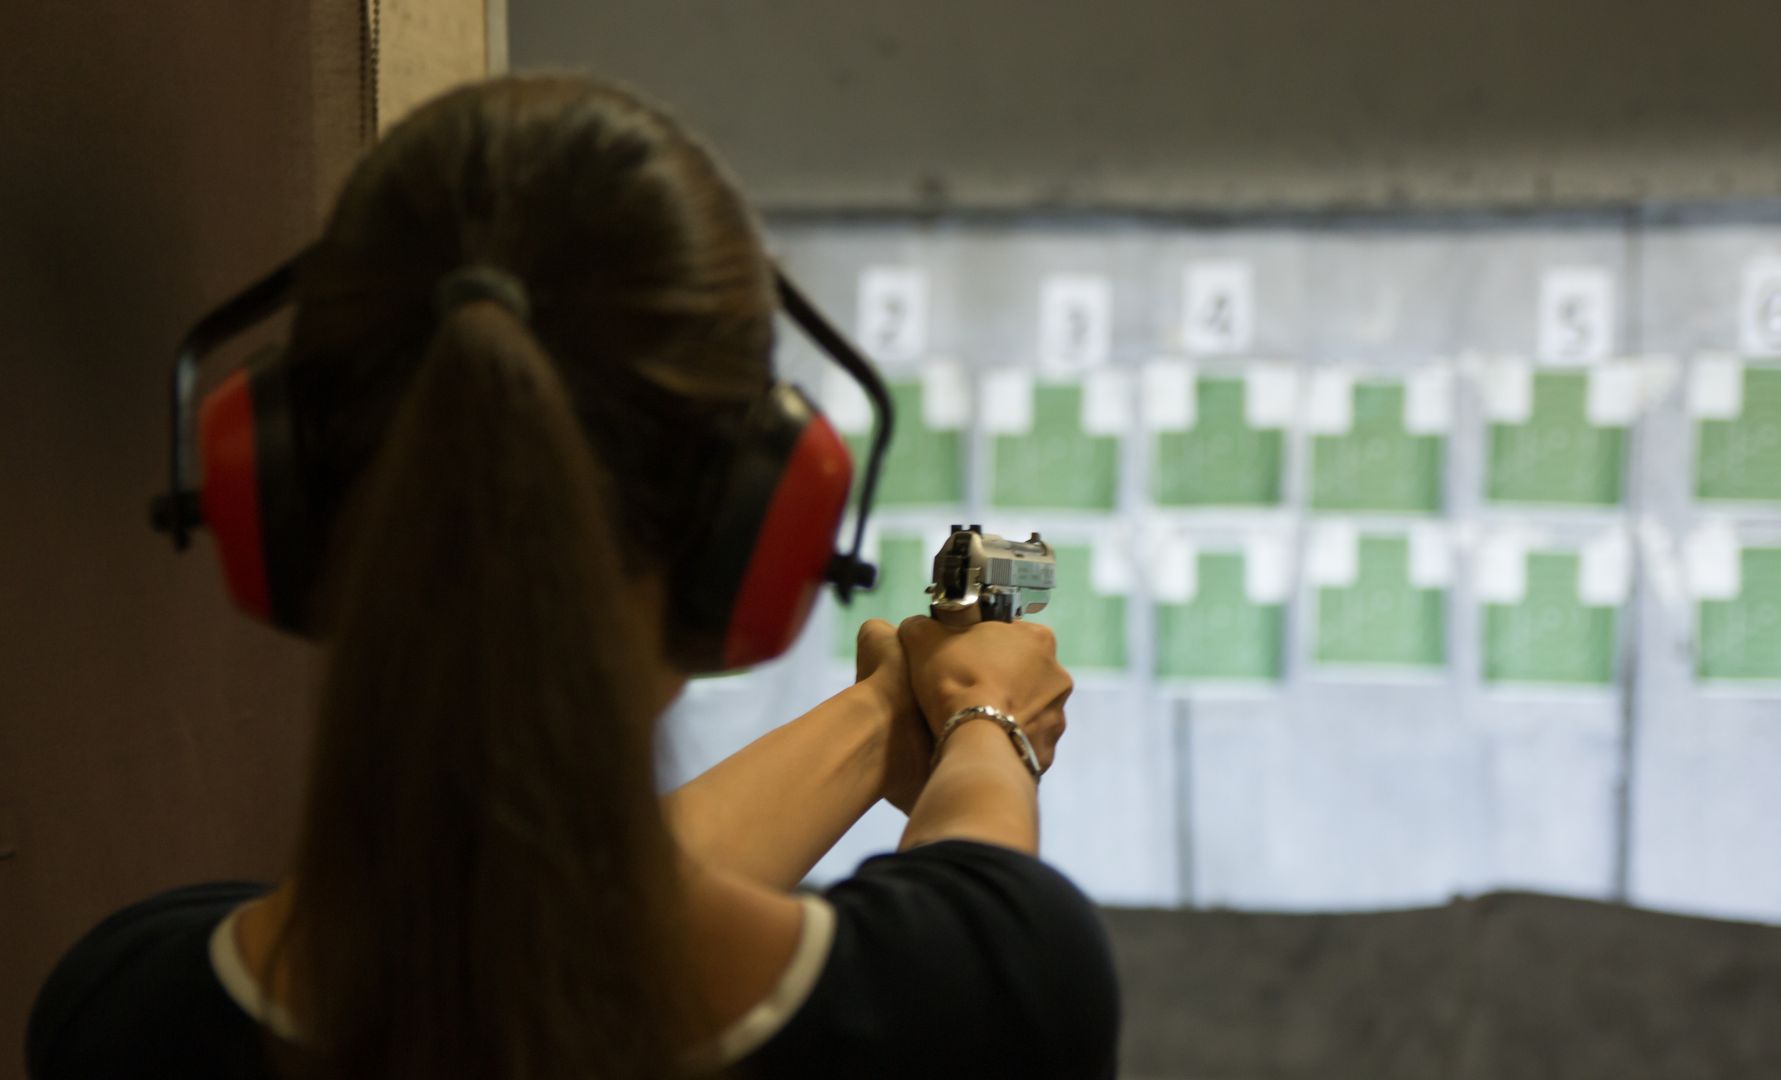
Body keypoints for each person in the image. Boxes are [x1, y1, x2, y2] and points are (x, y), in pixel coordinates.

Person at [26, 75, 1118, 1079]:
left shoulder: (125, 1012)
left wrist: (888, 711)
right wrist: (989, 721)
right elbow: (973, 919)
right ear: (762, 537)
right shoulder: (984, 1000)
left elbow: (534, 918)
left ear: (280, 506)